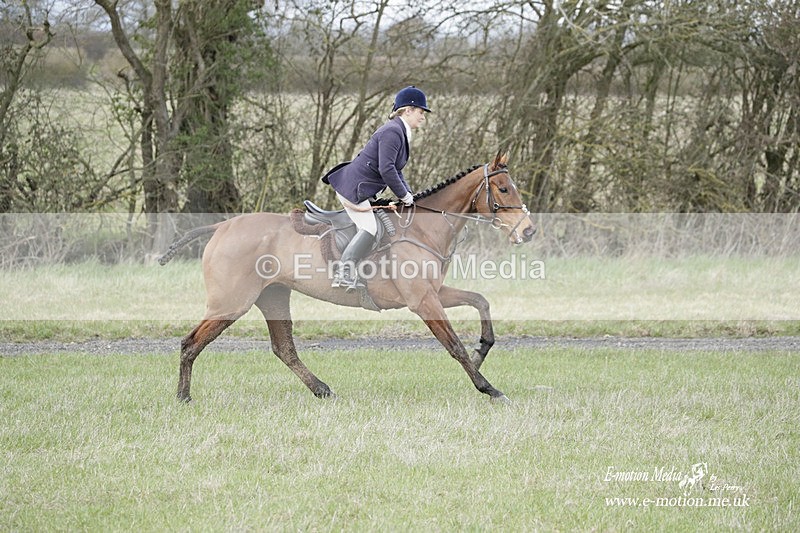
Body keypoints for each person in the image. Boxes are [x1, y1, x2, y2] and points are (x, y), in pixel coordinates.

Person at [322, 85, 431, 290]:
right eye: (420, 111)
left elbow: (396, 170)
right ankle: (343, 273)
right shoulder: (392, 131)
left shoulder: (399, 132)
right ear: (407, 110)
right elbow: (387, 169)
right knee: (369, 228)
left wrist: (409, 195)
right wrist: (403, 195)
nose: (423, 116)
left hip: (362, 188)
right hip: (353, 188)